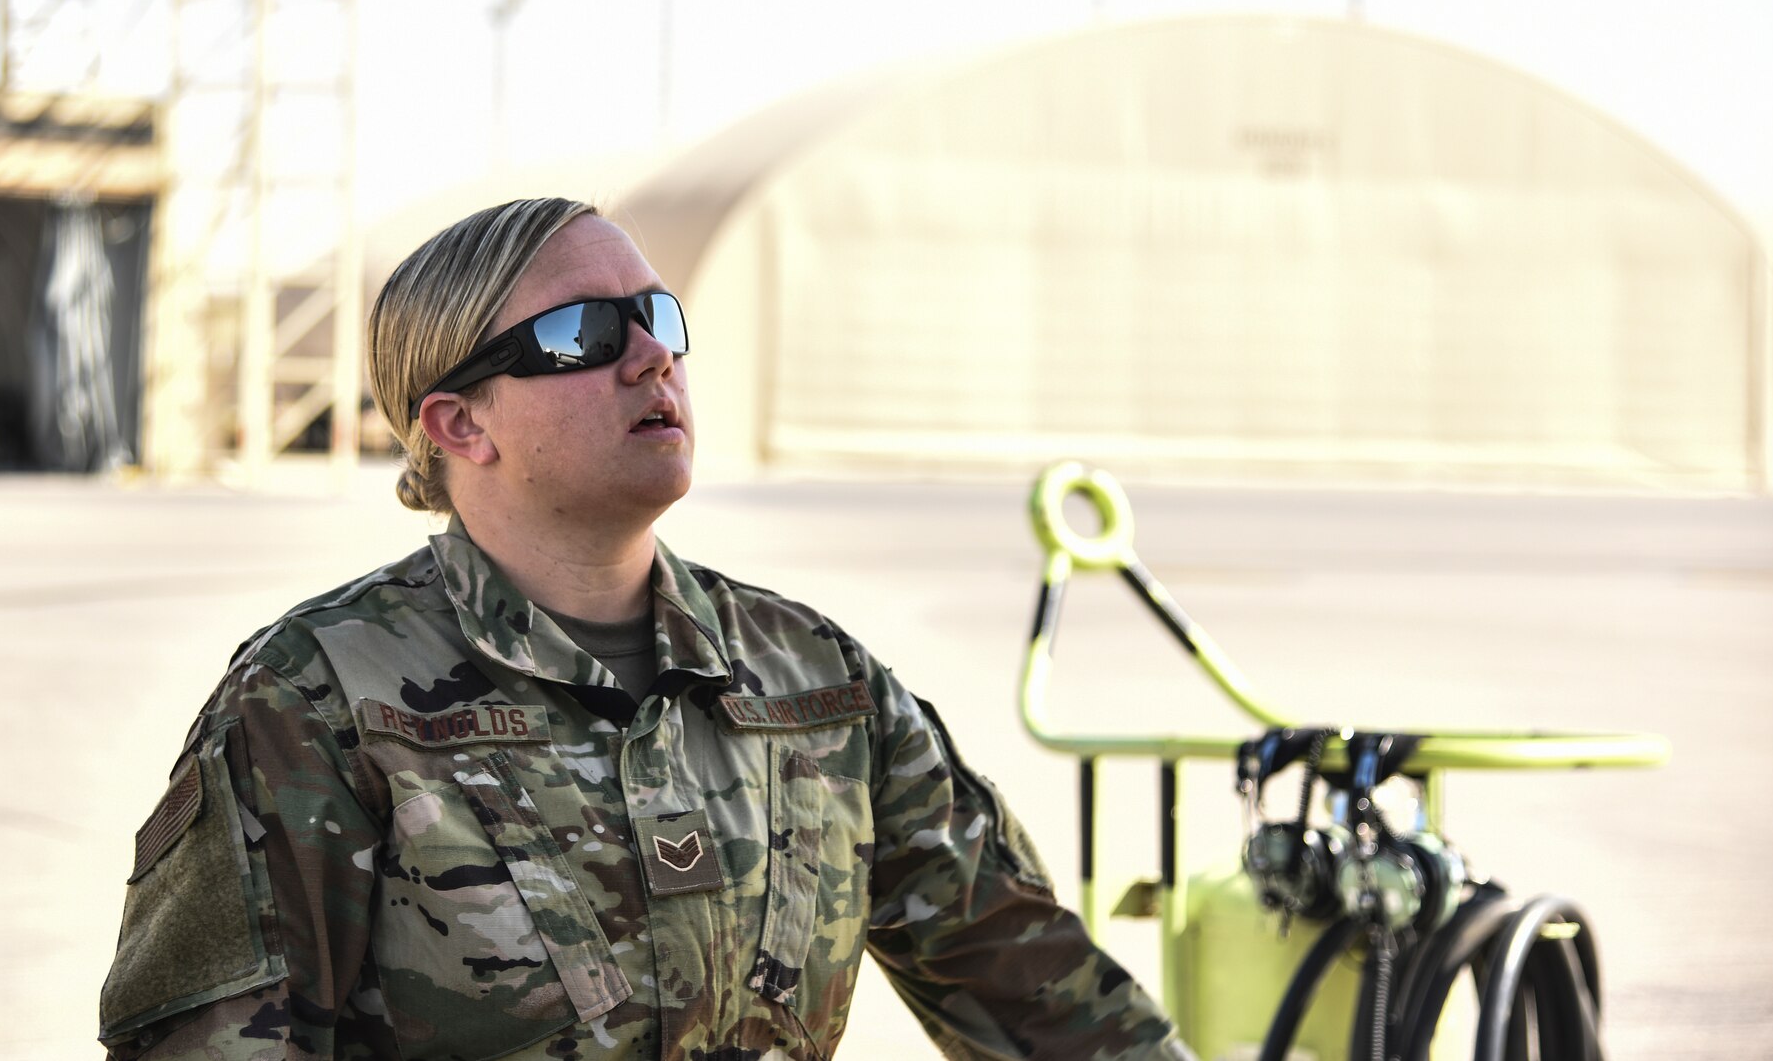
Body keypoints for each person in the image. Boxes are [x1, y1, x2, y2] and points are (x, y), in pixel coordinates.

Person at [99, 197, 1193, 1060]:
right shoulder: (320, 701)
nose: (649, 357)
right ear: (457, 422)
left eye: (657, 318)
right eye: (580, 333)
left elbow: (1048, 1000)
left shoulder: (816, 685)